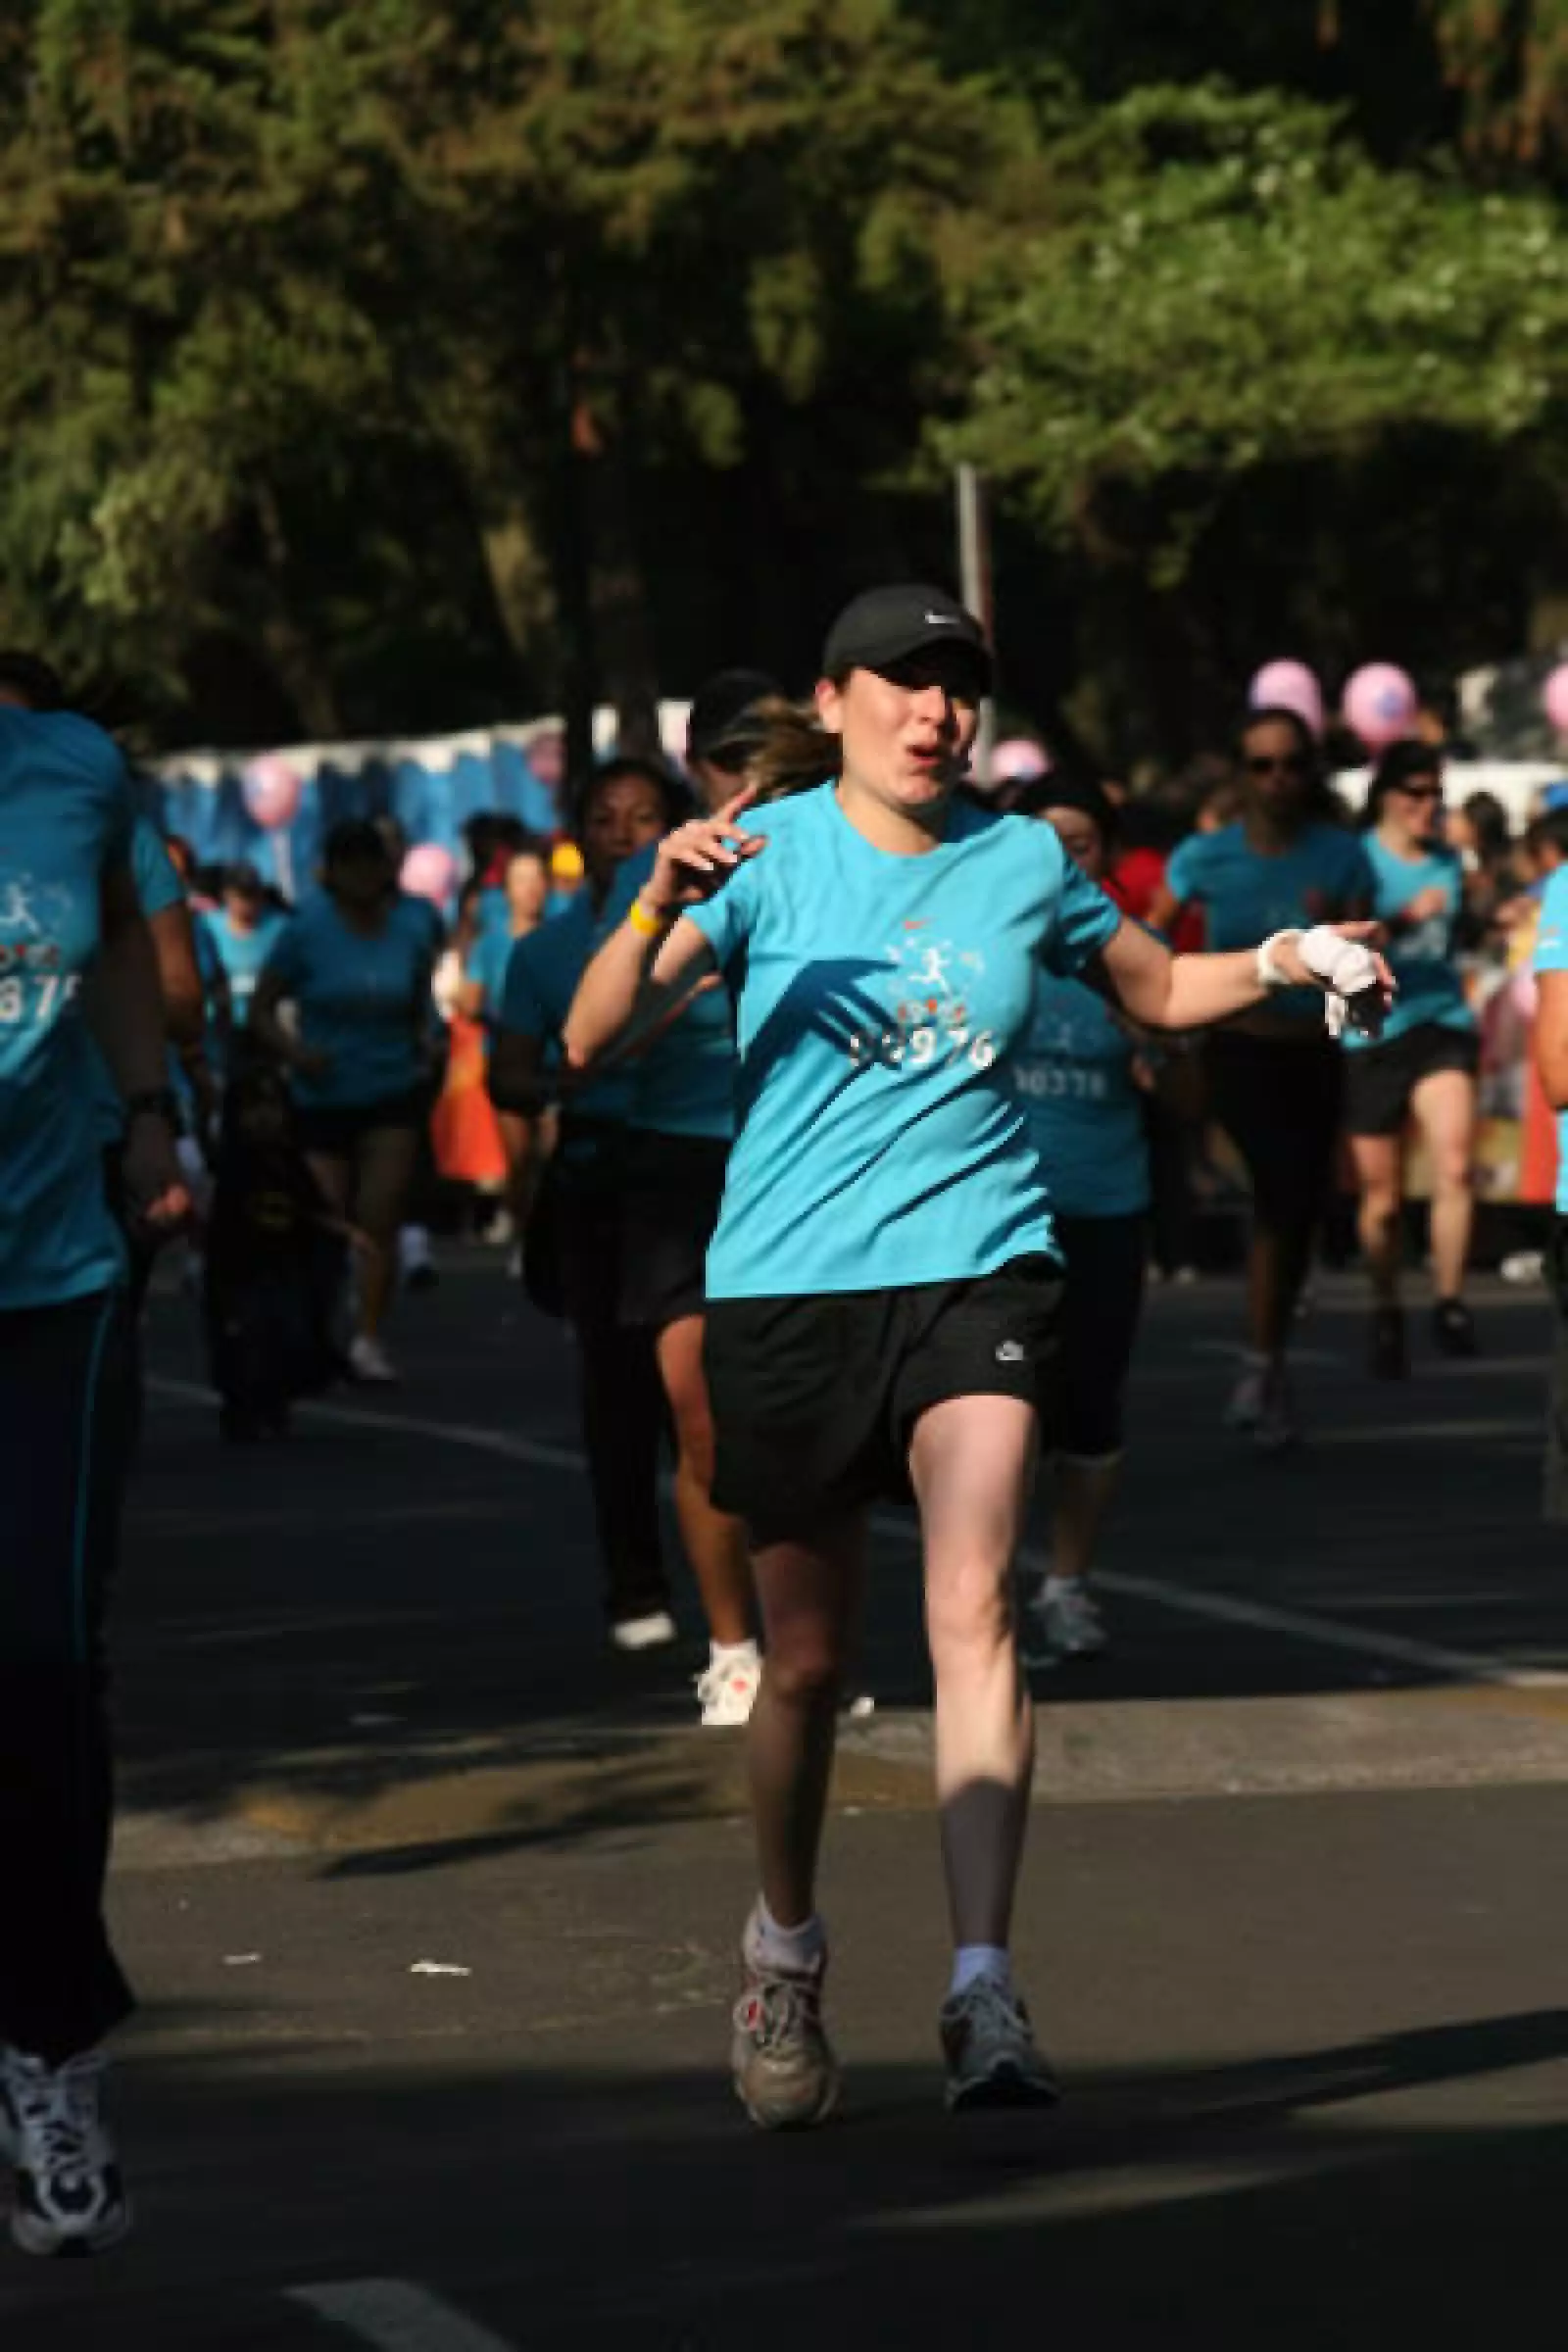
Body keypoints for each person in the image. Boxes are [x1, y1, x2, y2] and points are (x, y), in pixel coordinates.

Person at [564, 584, 1388, 2128]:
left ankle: (983, 1983)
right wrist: (655, 901)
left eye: (960, 687)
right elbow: (590, 1038)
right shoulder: (756, 855)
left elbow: (1159, 989)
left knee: (973, 1603)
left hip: (981, 1266)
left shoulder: (1019, 861)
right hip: (792, 1290)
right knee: (809, 1664)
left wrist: (1290, 955)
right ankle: (785, 1951)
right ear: (834, 701)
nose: (938, 712)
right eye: (907, 681)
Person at [0, 696, 190, 2253]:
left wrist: (145, 1114)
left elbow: (122, 937)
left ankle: (51, 2051)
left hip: (49, 1281)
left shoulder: (70, 769)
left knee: (45, 1662)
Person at [592, 673, 787, 1724]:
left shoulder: (826, 854)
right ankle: (733, 1648)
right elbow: (593, 1040)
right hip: (678, 1167)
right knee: (701, 1420)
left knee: (797, 1423)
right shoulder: (659, 877)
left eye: (772, 761)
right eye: (733, 764)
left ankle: (806, 1645)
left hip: (794, 1159)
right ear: (698, 771)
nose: (753, 783)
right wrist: (686, 983)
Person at [489, 760, 685, 1652]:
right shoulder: (543, 953)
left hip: (704, 1175)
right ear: (579, 837)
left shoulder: (718, 929)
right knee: (618, 1389)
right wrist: (560, 1078)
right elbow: (508, 1076)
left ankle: (741, 1606)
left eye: (644, 817)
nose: (624, 834)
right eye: (605, 819)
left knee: (712, 1399)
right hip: (600, 1179)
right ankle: (636, 1583)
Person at [1010, 776, 1199, 1663]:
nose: (1059, 861)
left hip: (1102, 1212)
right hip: (1000, 1221)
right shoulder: (983, 944)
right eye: (1043, 843)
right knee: (1001, 1415)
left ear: (1107, 856)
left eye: (1078, 845)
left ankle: (1066, 1582)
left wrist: (1162, 1051)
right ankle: (985, 1587)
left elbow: (1191, 1105)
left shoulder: (1135, 956)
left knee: (1089, 1409)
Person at [1151, 710, 1374, 1448]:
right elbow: (1148, 935)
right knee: (1276, 1195)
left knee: (1298, 1208)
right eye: (1261, 766)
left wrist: (1359, 1006)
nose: (1277, 780)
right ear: (1241, 775)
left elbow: (1364, 946)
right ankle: (1259, 1361)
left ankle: (1270, 1354)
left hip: (1312, 1054)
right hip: (1237, 1049)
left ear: (1311, 772)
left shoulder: (1341, 854)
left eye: (1291, 765)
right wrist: (1160, 1024)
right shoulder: (1205, 855)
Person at [249, 819, 439, 1385]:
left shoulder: (410, 928)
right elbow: (260, 1010)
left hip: (391, 1087)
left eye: (370, 862)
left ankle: (369, 1334)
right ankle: (317, 1320)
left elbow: (422, 1004)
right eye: (349, 864)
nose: (362, 876)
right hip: (323, 1092)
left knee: (380, 1211)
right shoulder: (306, 930)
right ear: (332, 873)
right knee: (326, 1217)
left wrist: (429, 1043)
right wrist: (296, 1053)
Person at [1343, 742, 1481, 1375]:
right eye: (1416, 793)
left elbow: (1459, 937)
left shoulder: (1449, 861)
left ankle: (1449, 1302)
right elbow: (1339, 944)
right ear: (1387, 796)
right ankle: (1386, 1307)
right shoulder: (1358, 858)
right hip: (1374, 1032)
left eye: (1436, 794)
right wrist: (1399, 920)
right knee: (1383, 1196)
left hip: (1440, 1021)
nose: (1428, 806)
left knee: (1455, 1166)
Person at [205, 1054, 367, 1440]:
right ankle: (242, 1406)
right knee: (242, 1338)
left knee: (288, 1333)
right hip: (240, 1270)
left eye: (272, 1107)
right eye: (252, 1109)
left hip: (285, 1266)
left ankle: (276, 1399)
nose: (264, 1118)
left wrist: (344, 1231)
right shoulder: (233, 1165)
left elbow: (312, 1207)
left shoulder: (289, 1162)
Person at [199, 862, 287, 1035]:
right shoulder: (207, 926)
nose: (249, 902)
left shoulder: (280, 926)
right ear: (226, 895)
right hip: (222, 1022)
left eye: (254, 894)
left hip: (271, 1024)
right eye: (242, 895)